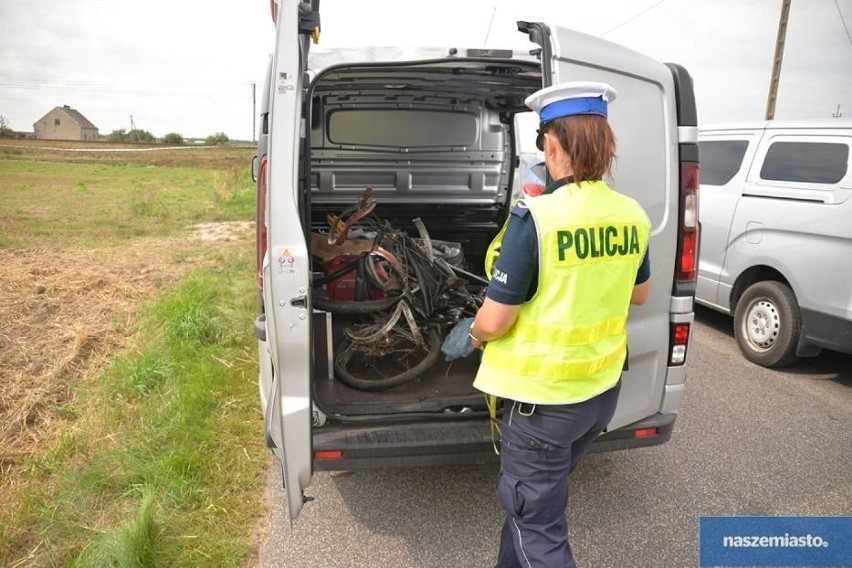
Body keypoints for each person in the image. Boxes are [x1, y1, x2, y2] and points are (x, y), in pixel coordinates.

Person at [468, 81, 652, 567]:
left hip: (544, 405)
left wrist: (473, 332)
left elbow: (495, 319)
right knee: (530, 508)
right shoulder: (630, 213)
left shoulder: (538, 217)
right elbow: (639, 292)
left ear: (552, 142)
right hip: (598, 396)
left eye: (541, 143)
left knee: (538, 525)